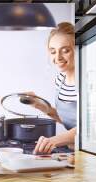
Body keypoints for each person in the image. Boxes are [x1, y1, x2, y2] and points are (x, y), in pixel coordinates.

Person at [31, 22, 77, 155]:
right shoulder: (60, 80)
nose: (58, 57)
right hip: (71, 152)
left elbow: (90, 129)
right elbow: (68, 119)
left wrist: (54, 141)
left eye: (65, 50)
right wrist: (40, 105)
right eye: (53, 51)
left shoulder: (88, 81)